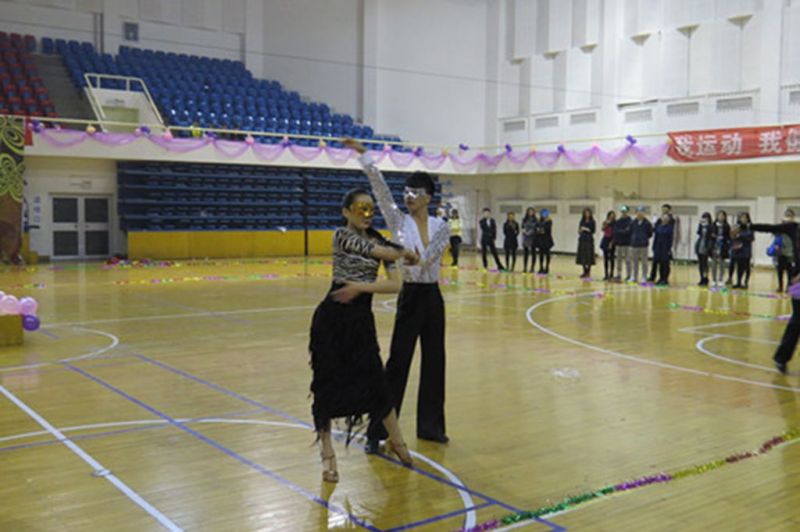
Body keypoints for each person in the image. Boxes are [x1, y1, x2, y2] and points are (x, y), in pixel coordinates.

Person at [344, 139, 452, 448]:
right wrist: (364, 156)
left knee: (435, 362)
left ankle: (431, 427)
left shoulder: (441, 226)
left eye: (415, 193)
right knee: (397, 364)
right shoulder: (398, 220)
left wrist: (418, 258)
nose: (408, 197)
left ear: (428, 197)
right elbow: (380, 189)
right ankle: (378, 432)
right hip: (411, 298)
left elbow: (431, 255)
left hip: (433, 298)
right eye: (406, 192)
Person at [310, 188, 417, 482]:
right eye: (360, 208)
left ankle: (397, 442)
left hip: (360, 321)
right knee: (326, 387)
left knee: (377, 383)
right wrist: (405, 252)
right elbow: (385, 254)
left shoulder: (381, 241)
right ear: (346, 212)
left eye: (370, 208)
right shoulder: (342, 236)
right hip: (332, 320)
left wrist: (360, 288)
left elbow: (395, 285)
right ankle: (328, 456)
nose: (366, 214)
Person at [752, 215, 800, 374]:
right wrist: (747, 226)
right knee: (796, 321)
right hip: (797, 282)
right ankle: (781, 358)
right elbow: (770, 228)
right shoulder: (793, 228)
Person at [648, 204, 675, 282]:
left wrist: (669, 248)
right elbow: (654, 231)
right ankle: (653, 277)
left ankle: (664, 278)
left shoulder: (671, 223)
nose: (664, 211)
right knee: (655, 262)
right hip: (657, 246)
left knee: (664, 263)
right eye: (663, 209)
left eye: (666, 209)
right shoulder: (659, 223)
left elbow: (670, 237)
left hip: (665, 247)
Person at [730, 212, 754, 289]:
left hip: (746, 249)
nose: (743, 219)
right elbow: (733, 236)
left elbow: (751, 238)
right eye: (742, 217)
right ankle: (738, 282)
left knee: (746, 267)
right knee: (739, 267)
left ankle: (746, 282)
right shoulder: (737, 226)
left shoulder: (750, 227)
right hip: (738, 249)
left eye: (745, 217)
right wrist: (733, 235)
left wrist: (740, 235)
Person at [774, 209, 796, 292]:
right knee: (780, 270)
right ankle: (780, 286)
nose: (788, 217)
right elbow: (775, 234)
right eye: (786, 215)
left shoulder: (795, 226)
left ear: (793, 217)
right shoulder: (781, 226)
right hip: (780, 251)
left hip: (791, 252)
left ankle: (789, 286)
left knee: (790, 270)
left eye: (790, 215)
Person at [630, 207, 653, 283]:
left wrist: (644, 238)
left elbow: (650, 233)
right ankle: (634, 276)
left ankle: (644, 277)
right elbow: (630, 231)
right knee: (634, 262)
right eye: (638, 212)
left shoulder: (647, 223)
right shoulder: (633, 222)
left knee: (644, 262)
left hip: (643, 245)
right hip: (634, 244)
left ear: (644, 214)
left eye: (641, 212)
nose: (639, 214)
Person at [710, 211, 731, 288]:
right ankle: (713, 280)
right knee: (713, 264)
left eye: (722, 216)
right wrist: (713, 236)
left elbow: (729, 237)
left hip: (723, 247)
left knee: (722, 264)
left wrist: (727, 243)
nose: (721, 217)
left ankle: (721, 279)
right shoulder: (713, 225)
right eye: (719, 215)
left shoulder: (727, 226)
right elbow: (709, 235)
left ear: (725, 217)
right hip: (714, 246)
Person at [613, 205, 633, 281]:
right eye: (622, 211)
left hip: (628, 244)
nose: (624, 213)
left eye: (625, 211)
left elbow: (629, 232)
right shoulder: (618, 221)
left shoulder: (631, 222)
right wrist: (624, 231)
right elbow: (615, 231)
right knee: (618, 260)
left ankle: (629, 275)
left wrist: (621, 231)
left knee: (628, 260)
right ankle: (619, 275)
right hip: (619, 243)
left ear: (628, 212)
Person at [576, 208, 596, 278]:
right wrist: (580, 230)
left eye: (588, 213)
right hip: (582, 239)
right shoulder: (582, 221)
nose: (587, 214)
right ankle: (584, 271)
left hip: (589, 240)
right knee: (583, 256)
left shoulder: (592, 221)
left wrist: (586, 229)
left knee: (589, 256)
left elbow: (593, 231)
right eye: (585, 213)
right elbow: (579, 230)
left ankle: (588, 271)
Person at [695, 212, 713, 286]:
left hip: (706, 245)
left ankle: (705, 278)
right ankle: (701, 278)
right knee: (700, 264)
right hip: (700, 244)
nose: (705, 219)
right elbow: (698, 232)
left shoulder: (711, 226)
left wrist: (707, 226)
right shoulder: (701, 225)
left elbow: (711, 235)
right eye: (703, 218)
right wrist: (700, 224)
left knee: (705, 263)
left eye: (706, 218)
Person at [534, 209, 554, 274]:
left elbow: (548, 230)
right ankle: (541, 267)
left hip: (547, 240)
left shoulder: (549, 221)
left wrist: (542, 230)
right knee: (541, 254)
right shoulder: (538, 221)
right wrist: (539, 231)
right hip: (540, 240)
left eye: (545, 214)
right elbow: (536, 229)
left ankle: (547, 267)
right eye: (542, 214)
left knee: (547, 254)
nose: (544, 215)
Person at [600, 211, 616, 281]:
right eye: (610, 216)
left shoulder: (615, 223)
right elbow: (602, 229)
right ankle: (606, 274)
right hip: (605, 240)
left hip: (612, 240)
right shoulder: (605, 222)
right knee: (606, 258)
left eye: (613, 216)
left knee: (611, 258)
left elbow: (615, 233)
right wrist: (606, 224)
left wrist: (611, 243)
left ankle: (611, 274)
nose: (611, 217)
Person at [522, 207, 538, 274]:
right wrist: (524, 231)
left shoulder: (535, 220)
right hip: (526, 238)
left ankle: (532, 268)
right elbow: (522, 227)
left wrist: (528, 233)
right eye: (529, 211)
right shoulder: (524, 219)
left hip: (533, 237)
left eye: (531, 211)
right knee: (526, 253)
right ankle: (525, 267)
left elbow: (535, 228)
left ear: (533, 212)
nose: (530, 213)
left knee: (533, 253)